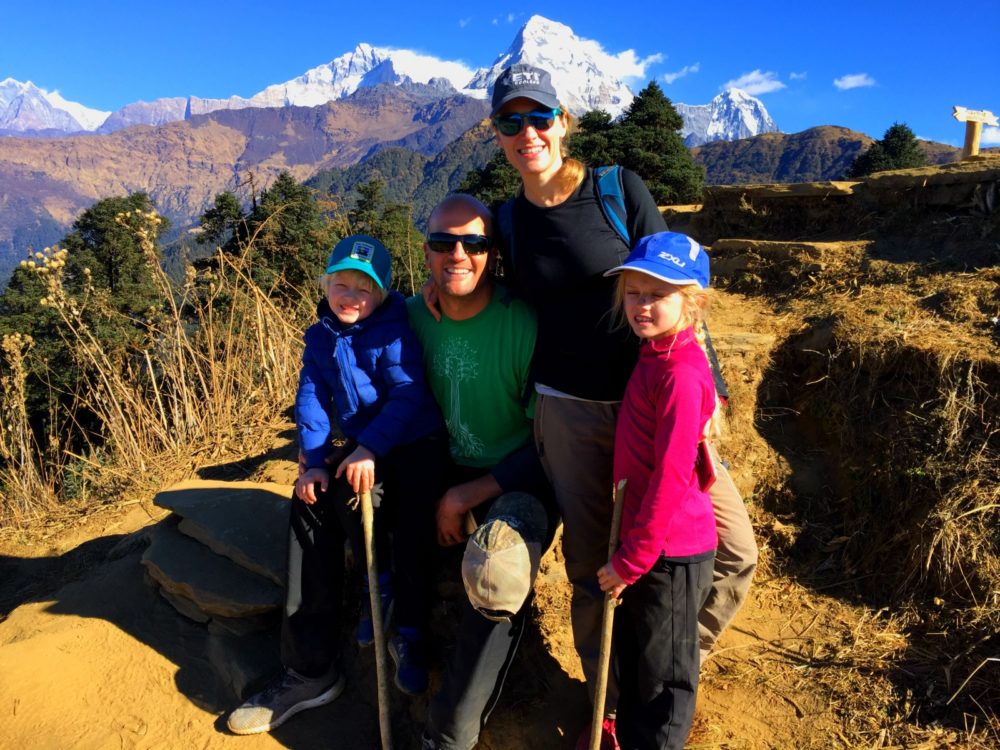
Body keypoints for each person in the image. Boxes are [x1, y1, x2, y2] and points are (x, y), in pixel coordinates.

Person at [484, 63, 758, 747]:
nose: (528, 133)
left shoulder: (616, 190)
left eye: (539, 117)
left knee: (732, 548)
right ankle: (607, 692)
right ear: (497, 135)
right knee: (591, 567)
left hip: (657, 403)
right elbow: (487, 300)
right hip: (570, 413)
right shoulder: (507, 221)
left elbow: (674, 283)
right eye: (511, 121)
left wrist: (710, 390)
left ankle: (658, 666)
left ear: (565, 123)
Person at [227, 234, 450, 735]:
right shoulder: (320, 336)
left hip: (412, 442)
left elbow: (407, 395)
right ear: (325, 283)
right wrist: (311, 461)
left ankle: (408, 630)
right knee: (327, 496)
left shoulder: (392, 331)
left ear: (383, 293)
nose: (350, 296)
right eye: (341, 283)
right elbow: (309, 398)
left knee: (412, 523)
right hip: (362, 444)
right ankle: (351, 618)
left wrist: (369, 448)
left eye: (364, 288)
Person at [407, 193, 558, 750]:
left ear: (492, 253)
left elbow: (548, 441)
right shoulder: (411, 316)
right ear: (425, 252)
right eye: (444, 242)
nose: (458, 254)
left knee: (501, 569)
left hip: (518, 475)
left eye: (473, 243)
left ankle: (449, 736)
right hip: (438, 465)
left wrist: (465, 495)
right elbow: (344, 329)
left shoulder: (523, 325)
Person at [597, 232, 718, 750]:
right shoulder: (657, 355)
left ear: (691, 301)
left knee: (664, 675)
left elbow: (672, 476)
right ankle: (626, 732)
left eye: (658, 294)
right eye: (634, 292)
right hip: (651, 544)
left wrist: (632, 558)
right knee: (641, 655)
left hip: (669, 550)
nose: (642, 305)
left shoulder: (679, 372)